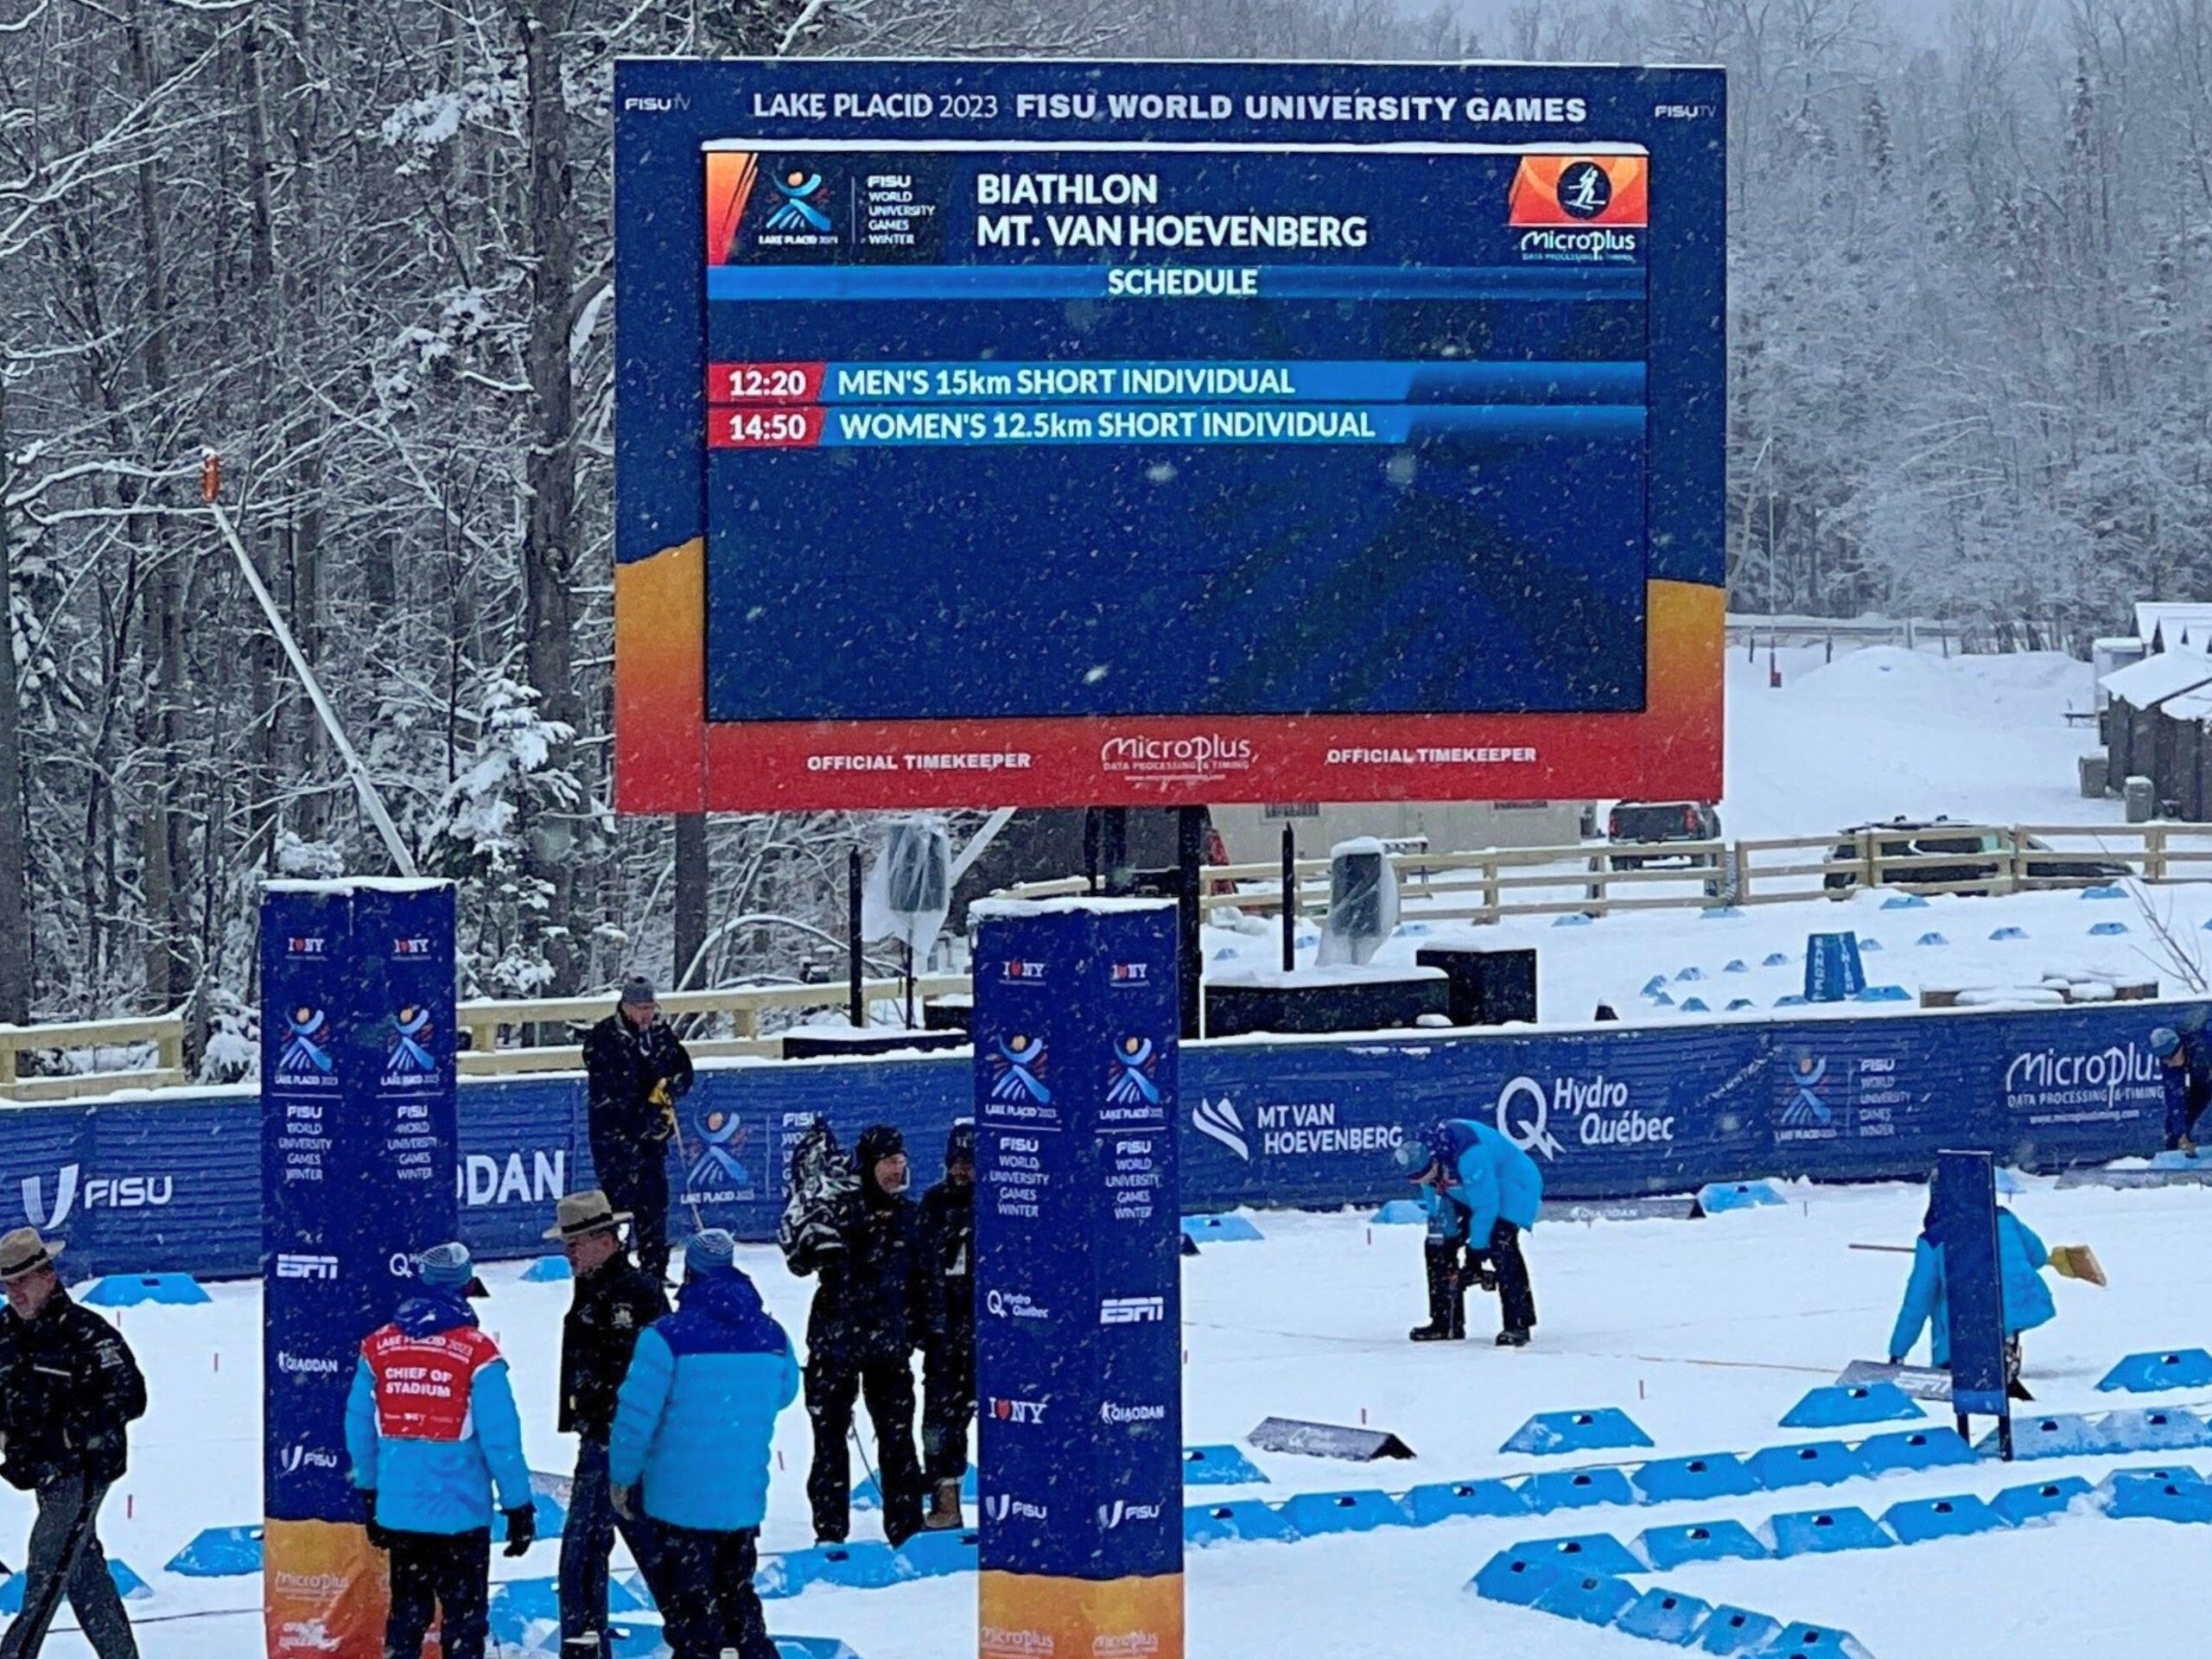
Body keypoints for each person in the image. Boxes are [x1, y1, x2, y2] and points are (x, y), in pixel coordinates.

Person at [608, 1230, 797, 1659]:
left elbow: (634, 1421)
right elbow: (785, 1394)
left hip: (677, 1505)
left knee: (693, 1617)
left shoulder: (665, 1337)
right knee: (739, 1599)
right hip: (741, 1501)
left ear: (688, 1272)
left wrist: (621, 1478)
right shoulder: (772, 1335)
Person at [346, 1242, 535, 1659]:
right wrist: (518, 1504)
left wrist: (370, 1491)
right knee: (464, 1624)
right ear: (467, 1287)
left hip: (401, 1514)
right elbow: (501, 1439)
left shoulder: (377, 1346)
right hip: (461, 1518)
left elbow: (358, 1427)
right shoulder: (478, 1352)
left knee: (407, 1616)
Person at [0, 1227, 146, 1659]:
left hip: (82, 1470)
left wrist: (69, 1434)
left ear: (48, 1276)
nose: (14, 1294)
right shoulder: (6, 1335)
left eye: (21, 1282)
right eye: (6, 1286)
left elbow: (131, 1396)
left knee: (46, 1567)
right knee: (81, 1570)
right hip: (38, 1473)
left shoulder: (87, 1333)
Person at [791, 1122, 928, 1546]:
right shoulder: (836, 1205)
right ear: (869, 1165)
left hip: (890, 1349)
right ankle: (830, 1532)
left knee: (898, 1441)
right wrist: (813, 1245)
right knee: (829, 1442)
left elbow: (927, 1280)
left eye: (901, 1163)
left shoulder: (911, 1215)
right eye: (889, 1163)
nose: (896, 1172)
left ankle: (906, 1528)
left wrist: (926, 1328)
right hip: (836, 1345)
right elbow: (798, 1262)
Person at [547, 1191, 669, 1654]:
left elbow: (658, 1370)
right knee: (588, 1556)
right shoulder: (591, 1286)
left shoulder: (639, 1292)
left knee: (630, 1552)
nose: (568, 1253)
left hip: (630, 1443)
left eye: (574, 1243)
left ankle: (695, 1634)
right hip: (599, 1438)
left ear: (603, 1239)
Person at [1886, 1187, 2055, 1401]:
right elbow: (2038, 1257)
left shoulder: (1934, 1238)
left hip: (1968, 1318)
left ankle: (1971, 1356)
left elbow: (1917, 1302)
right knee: (1999, 1301)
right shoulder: (2004, 1218)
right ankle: (2003, 1347)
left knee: (1952, 1296)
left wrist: (1898, 1352)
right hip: (2021, 1303)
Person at [583, 977, 696, 1284]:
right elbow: (612, 1094)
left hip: (651, 1144)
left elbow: (685, 1071)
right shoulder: (604, 1038)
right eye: (641, 1009)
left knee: (655, 1207)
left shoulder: (660, 1034)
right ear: (625, 1007)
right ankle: (613, 1272)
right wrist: (644, 1116)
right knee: (617, 1210)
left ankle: (654, 1272)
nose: (647, 1015)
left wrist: (671, 1087)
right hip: (614, 1142)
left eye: (651, 1008)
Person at [1396, 1118, 1542, 1346]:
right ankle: (1445, 1323)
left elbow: (1487, 1206)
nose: (1425, 1182)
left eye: (1427, 1176)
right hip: (1466, 1190)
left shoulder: (1469, 1154)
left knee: (1500, 1242)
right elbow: (1437, 1209)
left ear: (1435, 1160)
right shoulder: (1426, 1163)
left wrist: (1475, 1252)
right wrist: (1447, 1242)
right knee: (1436, 1245)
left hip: (1511, 1184)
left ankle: (1518, 1324)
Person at [918, 1121, 976, 1529]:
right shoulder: (933, 1202)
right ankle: (946, 1505)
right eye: (956, 1162)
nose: (961, 1170)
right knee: (939, 1422)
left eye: (969, 1163)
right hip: (943, 1333)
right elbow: (919, 1267)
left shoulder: (1005, 1199)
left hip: (993, 1331)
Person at [2152, 1026, 2212, 1153]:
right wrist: (2181, 1134)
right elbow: (2174, 1097)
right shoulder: (2169, 1061)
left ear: (2180, 1048)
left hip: (2205, 1071)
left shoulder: (2204, 1051)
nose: (2167, 1062)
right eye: (2163, 1058)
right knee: (2174, 1125)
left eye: (2169, 1056)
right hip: (2201, 1079)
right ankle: (2177, 1159)